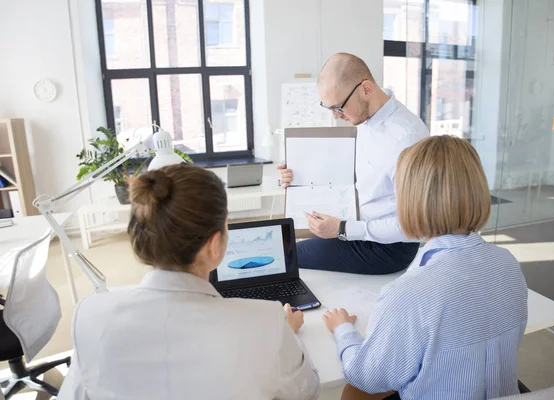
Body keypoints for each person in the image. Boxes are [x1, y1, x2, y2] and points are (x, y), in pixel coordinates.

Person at [57, 164, 319, 400]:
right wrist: (283, 339)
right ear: (214, 244)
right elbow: (307, 391)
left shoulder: (89, 316)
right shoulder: (266, 322)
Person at [321, 136, 528, 400]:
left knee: (355, 392)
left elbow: (368, 378)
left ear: (410, 201)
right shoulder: (507, 262)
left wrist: (343, 330)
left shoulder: (410, 292)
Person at [279, 53, 429, 275]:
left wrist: (342, 228)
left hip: (387, 247)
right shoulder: (363, 119)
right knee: (283, 244)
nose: (336, 116)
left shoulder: (407, 137)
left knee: (288, 254)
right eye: (328, 107)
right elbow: (347, 174)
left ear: (366, 89)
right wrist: (295, 174)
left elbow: (415, 227)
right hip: (355, 227)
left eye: (339, 107)